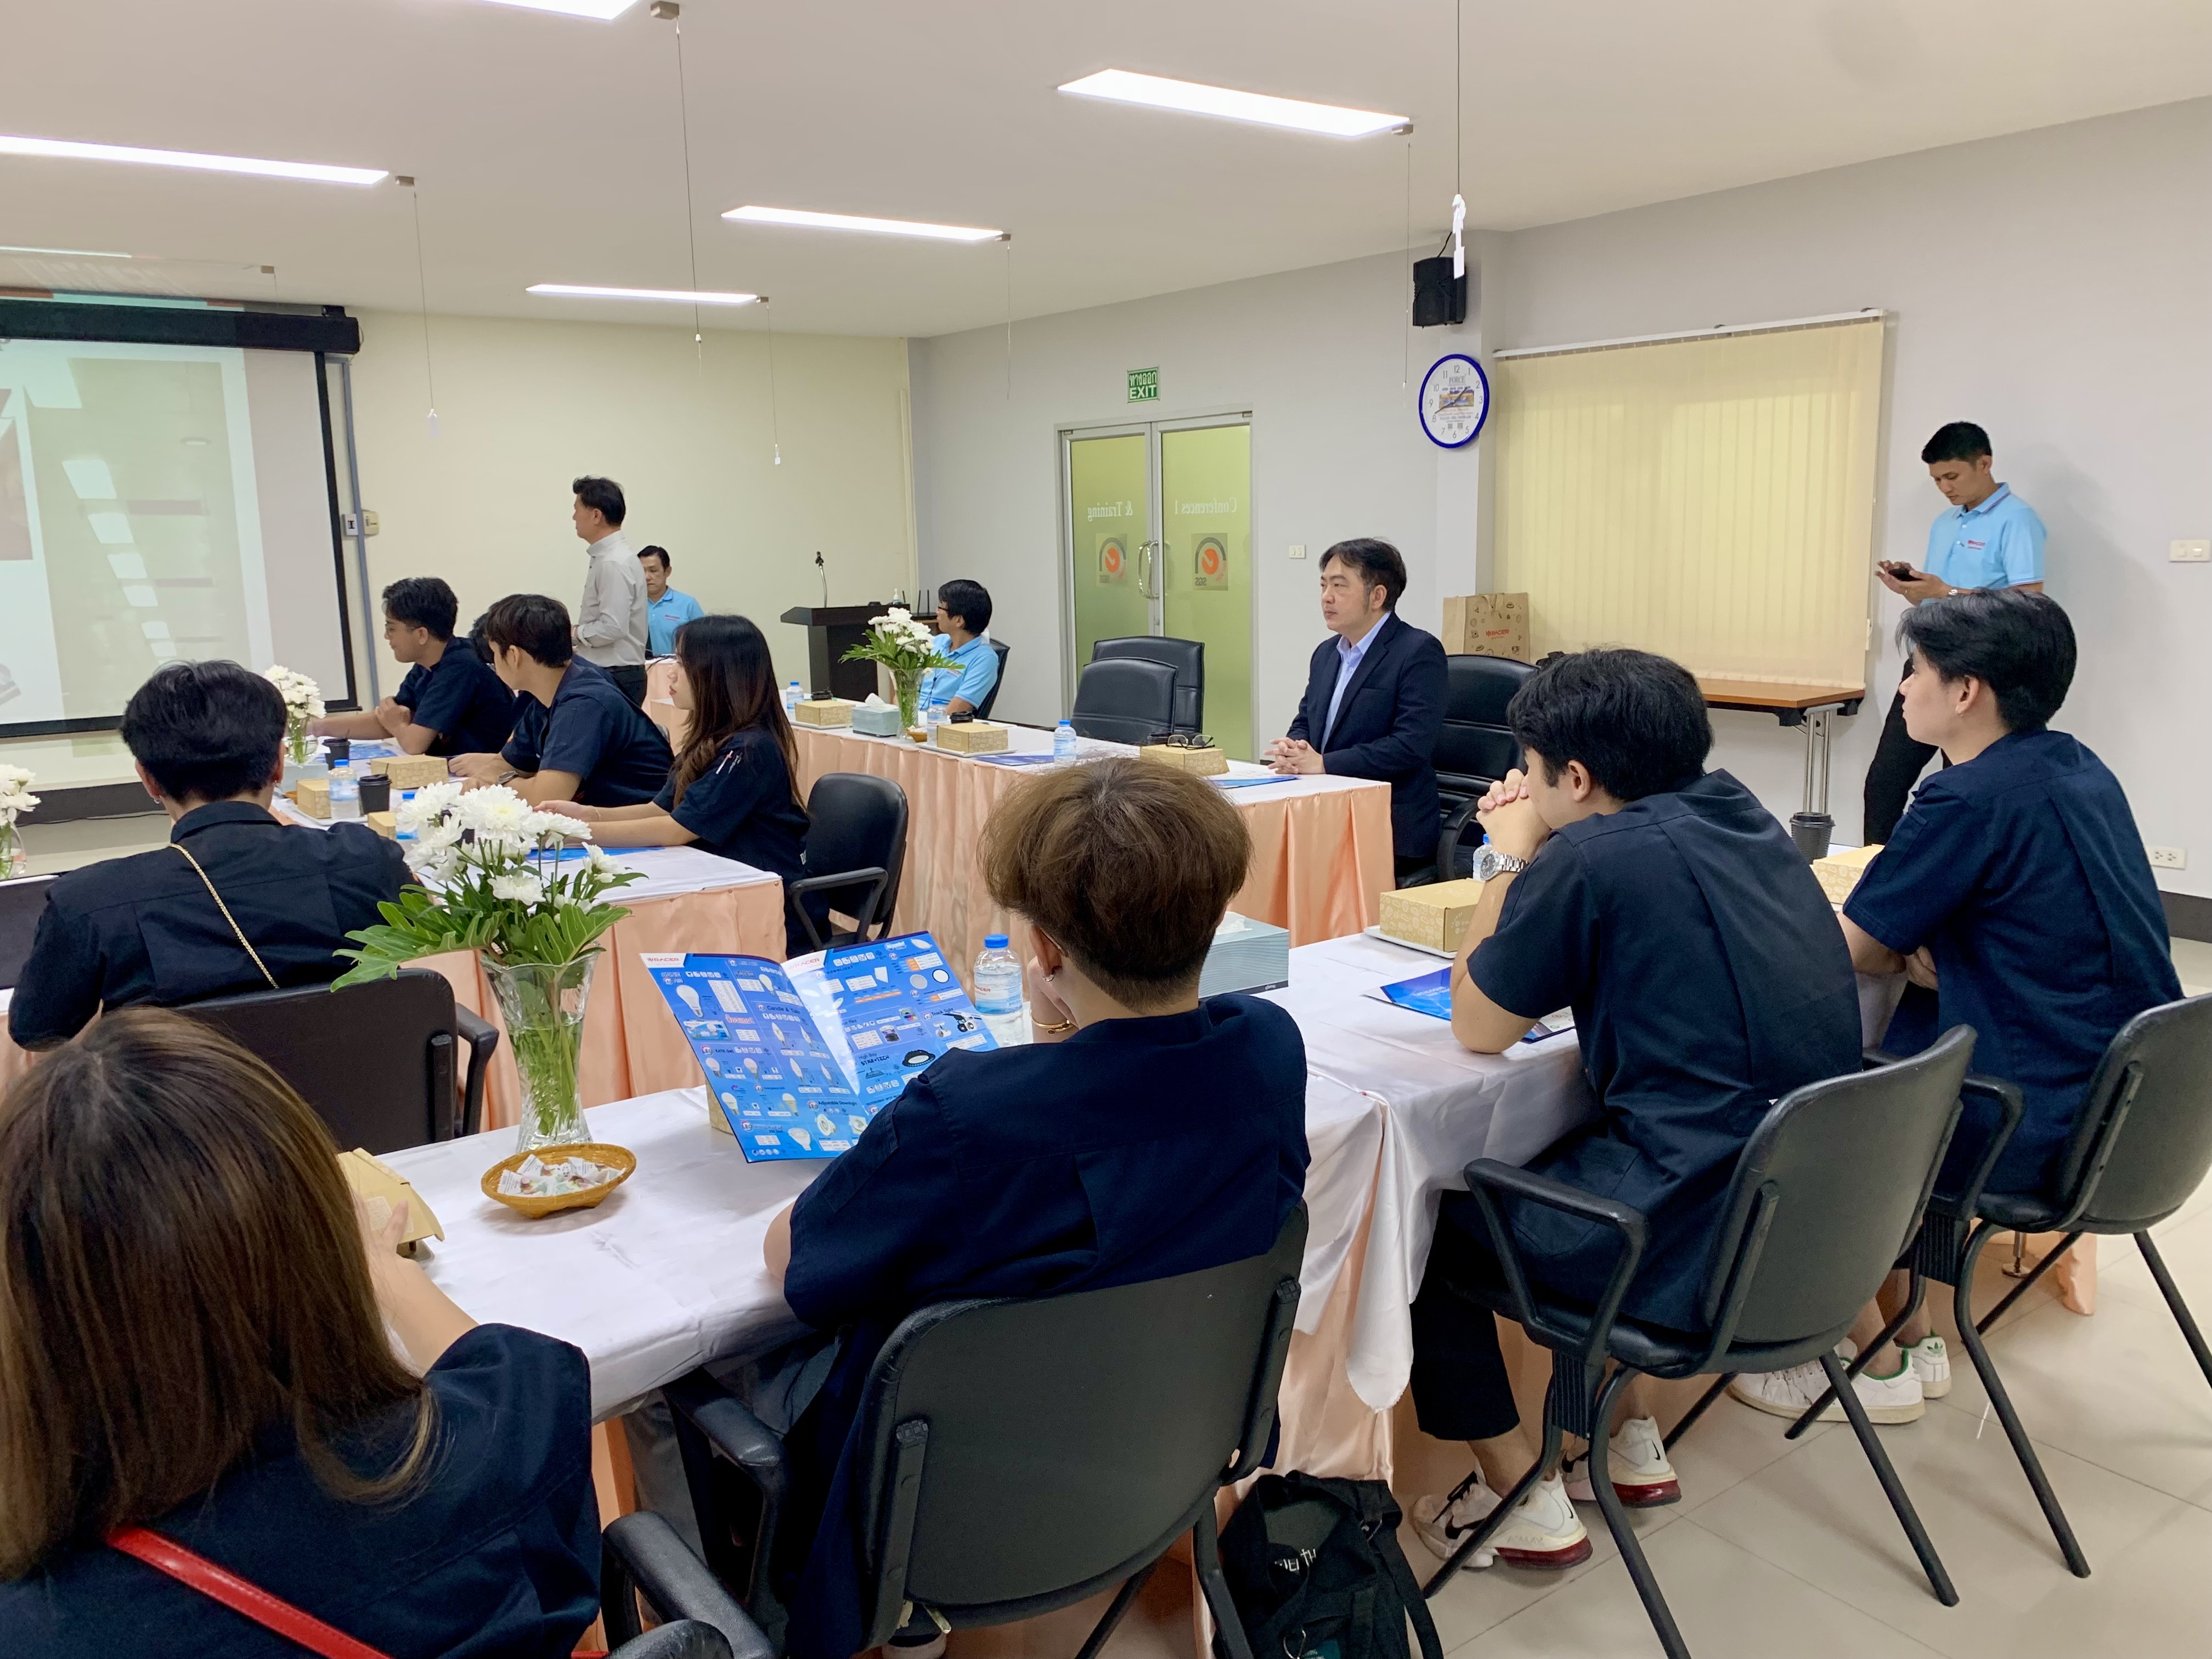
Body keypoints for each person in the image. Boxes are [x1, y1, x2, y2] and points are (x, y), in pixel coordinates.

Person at [623, 758, 1310, 1659]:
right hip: (1158, 1463)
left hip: (933, 1509)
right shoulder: (1268, 1051)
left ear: (1047, 952)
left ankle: (714, 1630)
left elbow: (793, 1260)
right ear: (1215, 921)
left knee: (662, 1375)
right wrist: (1063, 1034)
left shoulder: (969, 1114)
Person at [1409, 649, 1859, 1569]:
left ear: (1574, 778)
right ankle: (1625, 1435)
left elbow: (1479, 1023)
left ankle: (1514, 1490)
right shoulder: (1746, 814)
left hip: (1685, 1235)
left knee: (1427, 1222)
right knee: (1602, 1141)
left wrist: (1507, 855)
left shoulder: (1590, 855)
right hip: (1802, 1217)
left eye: (1532, 769)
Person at [0, 1009, 601, 1657]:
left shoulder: (43, 1626)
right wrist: (382, 1270)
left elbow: (36, 1014)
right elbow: (520, 1371)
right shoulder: (496, 1451)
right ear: (319, 1233)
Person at [1731, 590, 2180, 1421]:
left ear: (1966, 690)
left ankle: (1866, 1350)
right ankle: (1916, 1324)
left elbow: (1856, 947)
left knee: (1804, 1090)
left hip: (2026, 1121)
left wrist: (1896, 938)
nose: (1904, 690)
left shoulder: (1967, 799)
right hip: (2131, 1110)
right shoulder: (2079, 766)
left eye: (1915, 671)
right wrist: (1934, 940)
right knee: (1901, 1026)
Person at [8, 662, 408, 1049]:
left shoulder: (89, 901)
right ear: (278, 764)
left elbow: (38, 1032)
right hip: (366, 1092)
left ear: (148, 779)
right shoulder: (368, 861)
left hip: (176, 1099)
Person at [548, 614, 818, 950]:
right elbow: (660, 809)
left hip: (765, 905)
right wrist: (588, 815)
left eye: (683, 663)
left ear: (719, 675)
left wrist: (577, 834)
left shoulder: (749, 750)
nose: (671, 673)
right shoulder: (711, 740)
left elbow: (677, 829)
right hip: (719, 886)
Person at [1863, 422, 2046, 845]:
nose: (1945, 488)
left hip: (1980, 669)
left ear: (1984, 464)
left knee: (1960, 787)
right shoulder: (1945, 523)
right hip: (1928, 659)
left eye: (1952, 476)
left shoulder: (2018, 520)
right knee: (1885, 779)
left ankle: (1957, 876)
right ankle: (1875, 871)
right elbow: (1938, 597)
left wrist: (1944, 591)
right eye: (1937, 480)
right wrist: (1913, 589)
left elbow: (2029, 603)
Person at [1264, 538, 1447, 881]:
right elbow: (1307, 718)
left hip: (1390, 826)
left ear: (1377, 596)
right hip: (1328, 813)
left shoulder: (1418, 652)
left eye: (1339, 586)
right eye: (1323, 585)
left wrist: (1324, 763)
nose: (1326, 597)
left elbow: (1410, 745)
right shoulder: (1326, 654)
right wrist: (1296, 747)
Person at [450, 594, 673, 808]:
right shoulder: (544, 698)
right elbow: (506, 763)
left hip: (638, 824)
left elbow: (546, 797)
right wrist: (485, 781)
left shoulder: (584, 703)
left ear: (513, 655)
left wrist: (497, 785)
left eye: (494, 654)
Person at [312, 575, 516, 757]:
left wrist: (397, 724)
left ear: (421, 635)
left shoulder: (461, 666)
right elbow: (386, 722)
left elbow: (414, 744)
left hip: (485, 775)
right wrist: (316, 727)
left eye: (391, 629)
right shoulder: (426, 665)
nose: (387, 637)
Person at [571, 474, 650, 707]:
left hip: (615, 674)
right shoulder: (611, 557)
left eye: (577, 510)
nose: (574, 517)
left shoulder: (613, 562)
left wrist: (574, 633)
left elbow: (613, 627)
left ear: (596, 515)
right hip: (615, 673)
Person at [917, 578, 998, 716]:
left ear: (959, 620)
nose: (937, 612)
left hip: (939, 725)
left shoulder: (985, 659)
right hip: (910, 722)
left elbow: (955, 712)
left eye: (941, 608)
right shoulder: (936, 642)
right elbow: (905, 688)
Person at [639, 545, 707, 658]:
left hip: (677, 666)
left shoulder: (688, 604)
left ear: (667, 571)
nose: (647, 577)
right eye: (641, 571)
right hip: (639, 667)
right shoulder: (631, 605)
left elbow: (704, 643)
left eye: (653, 571)